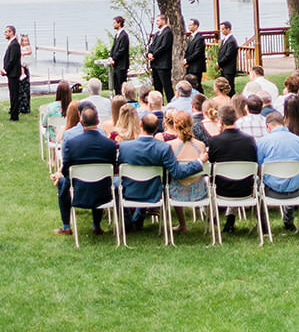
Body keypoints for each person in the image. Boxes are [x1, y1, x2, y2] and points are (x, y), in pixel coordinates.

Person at [118, 111, 203, 232]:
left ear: (140, 124)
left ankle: (128, 223)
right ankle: (136, 219)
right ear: (157, 128)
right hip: (154, 191)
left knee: (116, 185)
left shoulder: (125, 146)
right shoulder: (163, 148)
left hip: (130, 190)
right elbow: (178, 173)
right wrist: (199, 162)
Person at [52, 103, 118, 235]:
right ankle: (96, 225)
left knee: (63, 182)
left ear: (81, 122)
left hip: (78, 189)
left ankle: (66, 225)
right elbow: (112, 167)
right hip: (103, 190)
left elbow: (65, 170)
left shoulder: (72, 144)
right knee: (99, 178)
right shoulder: (110, 144)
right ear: (98, 121)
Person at [204, 102, 258, 232]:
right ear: (237, 119)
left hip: (222, 189)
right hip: (246, 188)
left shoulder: (215, 141)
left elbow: (211, 163)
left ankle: (213, 219)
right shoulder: (249, 140)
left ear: (220, 121)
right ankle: (230, 219)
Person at [255, 111, 299, 231]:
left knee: (258, 181)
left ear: (268, 126)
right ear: (283, 123)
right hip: (296, 190)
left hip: (271, 191)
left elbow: (258, 168)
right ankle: (288, 220)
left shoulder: (263, 142)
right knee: (293, 176)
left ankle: (263, 224)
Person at [162, 109, 208, 234]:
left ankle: (183, 224)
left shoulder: (169, 145)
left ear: (175, 126)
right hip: (199, 191)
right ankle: (209, 221)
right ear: (191, 124)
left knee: (175, 182)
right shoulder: (201, 145)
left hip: (176, 193)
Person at [146, 14, 174, 99]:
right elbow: (152, 45)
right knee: (157, 87)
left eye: (158, 21)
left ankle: (171, 103)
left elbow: (164, 46)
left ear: (163, 21)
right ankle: (158, 104)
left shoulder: (168, 32)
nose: (156, 23)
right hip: (155, 64)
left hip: (163, 64)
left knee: (167, 86)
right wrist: (149, 53)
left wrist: (154, 55)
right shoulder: (157, 33)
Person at [3, 25, 25, 121]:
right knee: (12, 94)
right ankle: (13, 112)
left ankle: (14, 115)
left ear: (12, 32)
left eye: (7, 32)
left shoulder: (15, 44)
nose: (5, 33)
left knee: (14, 94)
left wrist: (5, 70)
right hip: (11, 73)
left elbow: (12, 60)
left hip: (13, 73)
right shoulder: (11, 43)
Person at [109, 15, 131, 95]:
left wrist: (114, 59)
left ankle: (122, 100)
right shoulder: (117, 35)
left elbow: (122, 50)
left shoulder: (124, 35)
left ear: (119, 23)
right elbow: (114, 48)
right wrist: (110, 57)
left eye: (114, 23)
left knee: (121, 85)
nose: (113, 24)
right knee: (116, 86)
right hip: (116, 65)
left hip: (121, 65)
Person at [182, 18, 206, 86]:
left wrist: (187, 60)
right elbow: (187, 50)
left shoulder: (199, 38)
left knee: (197, 85)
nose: (189, 27)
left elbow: (198, 52)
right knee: (190, 85)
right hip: (190, 66)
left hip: (196, 67)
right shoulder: (190, 37)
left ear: (196, 26)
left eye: (191, 25)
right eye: (188, 25)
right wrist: (185, 60)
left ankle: (201, 96)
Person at [215, 21, 238, 92]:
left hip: (229, 69)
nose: (222, 31)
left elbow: (228, 55)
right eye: (221, 29)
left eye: (223, 29)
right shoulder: (224, 40)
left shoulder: (232, 41)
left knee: (229, 87)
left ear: (228, 29)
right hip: (223, 68)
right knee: (223, 88)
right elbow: (221, 53)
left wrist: (219, 63)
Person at [18, 33, 34, 115]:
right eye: (24, 41)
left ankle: (25, 106)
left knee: (25, 88)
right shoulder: (20, 48)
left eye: (27, 41)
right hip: (21, 67)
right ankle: (20, 106)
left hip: (25, 66)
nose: (25, 42)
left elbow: (29, 54)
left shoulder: (27, 48)